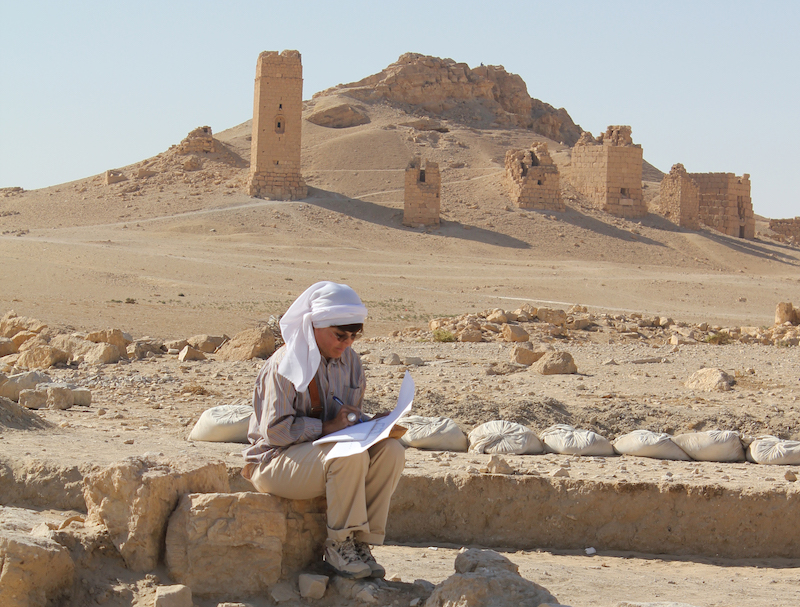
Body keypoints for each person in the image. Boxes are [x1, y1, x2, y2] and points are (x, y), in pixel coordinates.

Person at [242, 281, 406, 579]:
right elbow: (275, 433)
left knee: (391, 451)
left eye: (354, 336)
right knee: (349, 454)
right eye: (340, 335)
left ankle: (362, 542)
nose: (347, 343)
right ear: (315, 326)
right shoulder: (285, 365)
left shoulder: (350, 361)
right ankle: (339, 545)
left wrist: (374, 424)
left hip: (322, 454)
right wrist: (327, 427)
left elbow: (347, 417)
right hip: (274, 461)